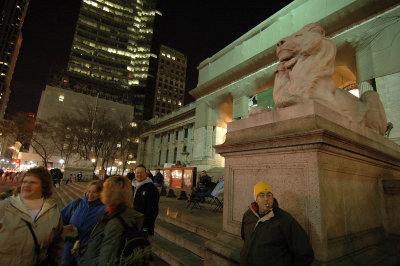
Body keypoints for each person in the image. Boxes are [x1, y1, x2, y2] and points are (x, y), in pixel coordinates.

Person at [0, 166, 64, 265]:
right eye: (25, 181)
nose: (26, 185)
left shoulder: (53, 212)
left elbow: (57, 244)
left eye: (33, 182)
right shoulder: (4, 207)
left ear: (44, 186)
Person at [240, 181, 314, 266]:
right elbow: (245, 238)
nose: (266, 199)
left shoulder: (284, 219)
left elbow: (304, 252)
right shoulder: (248, 215)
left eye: (269, 195)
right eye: (261, 195)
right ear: (256, 199)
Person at [79, 176, 144, 265]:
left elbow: (106, 260)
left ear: (110, 193)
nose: (102, 192)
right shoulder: (114, 214)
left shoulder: (116, 222)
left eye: (104, 189)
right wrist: (85, 249)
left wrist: (86, 262)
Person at [61, 180, 106, 266]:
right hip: (67, 248)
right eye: (89, 191)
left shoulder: (103, 209)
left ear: (101, 193)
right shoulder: (77, 203)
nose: (90, 195)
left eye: (94, 192)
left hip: (85, 251)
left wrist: (85, 245)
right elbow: (62, 218)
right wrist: (63, 228)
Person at [132, 164, 159, 239]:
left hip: (144, 223)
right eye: (137, 173)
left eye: (141, 172)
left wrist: (146, 225)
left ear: (145, 174)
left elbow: (153, 209)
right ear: (135, 174)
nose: (139, 175)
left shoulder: (151, 188)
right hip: (131, 222)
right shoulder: (131, 187)